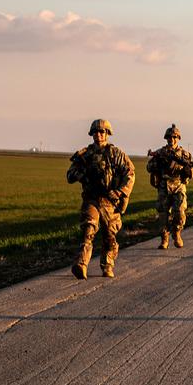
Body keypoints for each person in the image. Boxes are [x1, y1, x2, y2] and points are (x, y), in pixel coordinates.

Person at [66, 119, 135, 279]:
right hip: (91, 199)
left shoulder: (116, 154)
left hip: (109, 202)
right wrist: (80, 175)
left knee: (109, 237)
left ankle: (107, 265)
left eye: (102, 132)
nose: (98, 135)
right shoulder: (85, 155)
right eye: (95, 132)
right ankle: (81, 263)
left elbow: (130, 174)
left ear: (107, 134)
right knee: (88, 230)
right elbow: (69, 175)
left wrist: (119, 192)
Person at [147, 124, 193, 249]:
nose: (171, 139)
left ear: (178, 138)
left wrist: (188, 170)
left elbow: (192, 172)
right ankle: (164, 238)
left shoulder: (185, 155)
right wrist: (157, 162)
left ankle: (177, 233)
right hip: (164, 186)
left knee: (179, 212)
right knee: (163, 215)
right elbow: (149, 167)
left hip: (179, 185)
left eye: (174, 137)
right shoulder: (160, 152)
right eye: (169, 137)